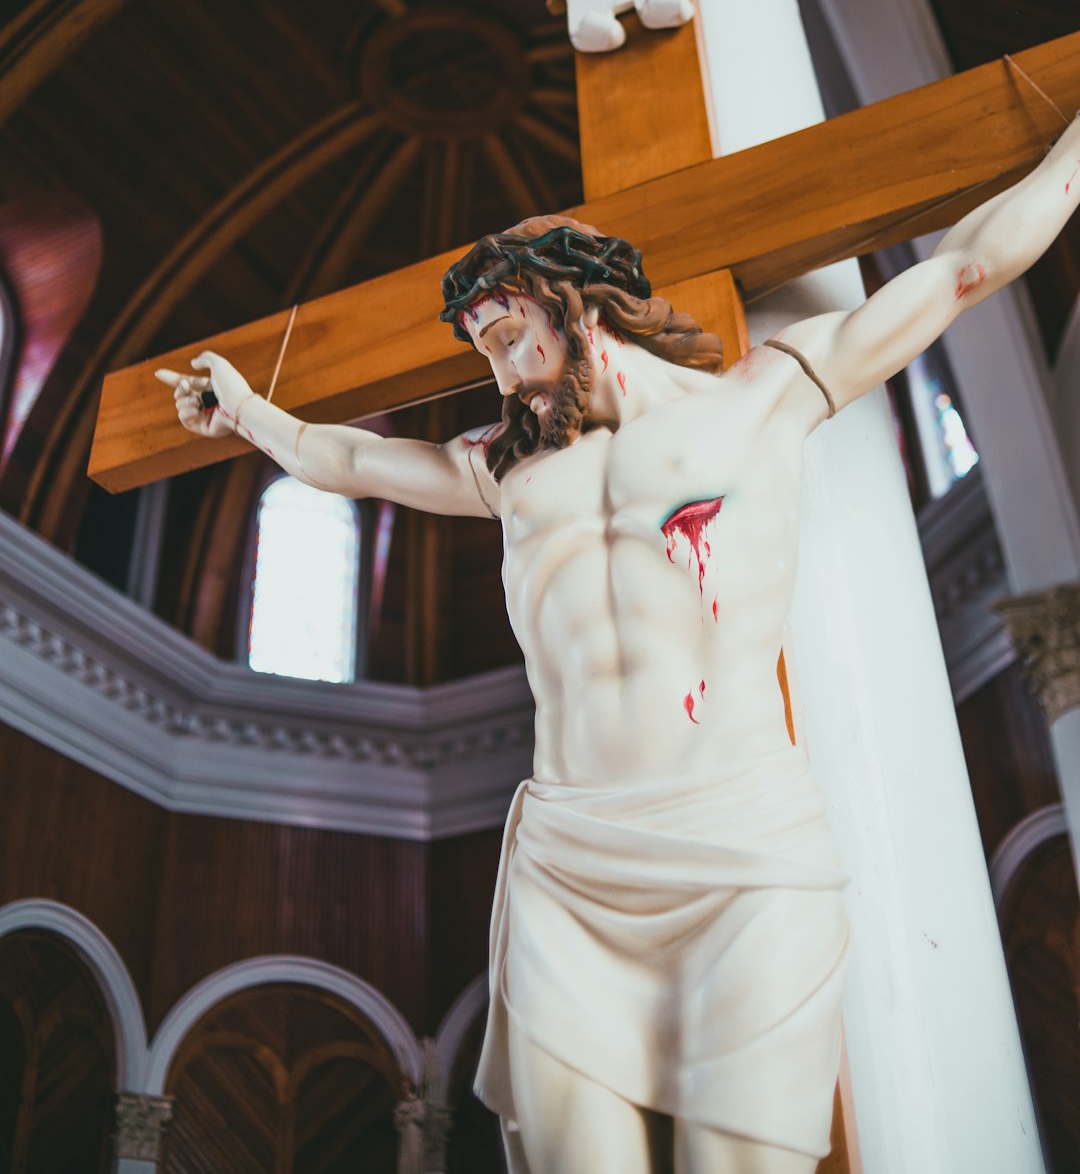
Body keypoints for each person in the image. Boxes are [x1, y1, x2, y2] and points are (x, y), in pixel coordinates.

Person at [158, 114, 1080, 1173]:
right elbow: (349, 464)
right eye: (481, 352)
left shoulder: (766, 396)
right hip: (571, 853)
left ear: (570, 298)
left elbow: (970, 261)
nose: (499, 372)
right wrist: (244, 415)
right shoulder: (504, 470)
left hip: (738, 837)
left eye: (507, 335)